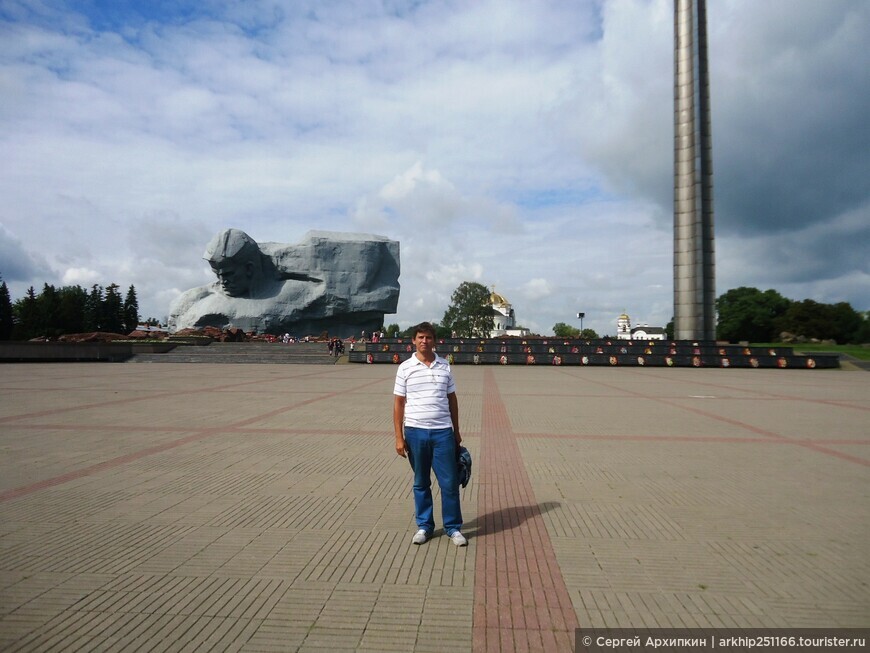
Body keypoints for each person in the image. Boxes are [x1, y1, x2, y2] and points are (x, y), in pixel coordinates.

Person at [393, 321, 466, 547]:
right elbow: (398, 404)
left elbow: (452, 400)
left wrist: (456, 431)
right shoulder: (405, 367)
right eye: (420, 337)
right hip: (415, 432)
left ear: (435, 341)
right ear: (414, 340)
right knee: (421, 482)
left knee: (450, 483)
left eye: (429, 338)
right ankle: (424, 526)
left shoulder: (445, 366)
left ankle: (453, 528)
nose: (425, 341)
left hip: (442, 432)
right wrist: (398, 437)